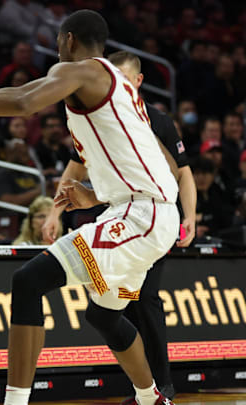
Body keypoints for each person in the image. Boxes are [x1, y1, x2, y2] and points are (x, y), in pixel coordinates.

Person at [0, 10, 178, 405]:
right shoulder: (118, 89)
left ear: (69, 40)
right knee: (103, 316)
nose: (56, 51)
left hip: (141, 216)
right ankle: (152, 399)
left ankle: (15, 402)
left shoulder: (82, 70)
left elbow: (24, 100)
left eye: (58, 42)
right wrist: (96, 197)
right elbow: (146, 160)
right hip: (141, 212)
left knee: (28, 281)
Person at [109, 50, 198, 402]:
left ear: (139, 81)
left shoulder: (158, 120)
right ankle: (141, 387)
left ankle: (163, 383)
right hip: (118, 222)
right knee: (120, 303)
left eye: (123, 79)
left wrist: (190, 216)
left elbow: (184, 173)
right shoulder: (102, 120)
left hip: (157, 222)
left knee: (145, 299)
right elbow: (76, 165)